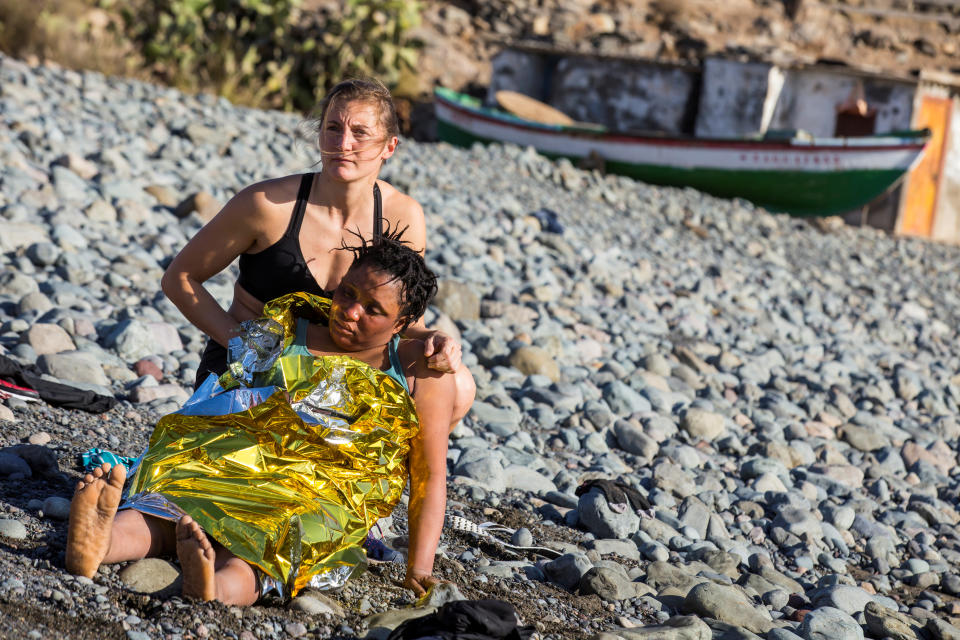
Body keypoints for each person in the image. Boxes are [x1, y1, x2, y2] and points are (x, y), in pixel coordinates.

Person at [66, 232, 453, 604]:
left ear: (402, 324)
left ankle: (214, 588)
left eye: (373, 310)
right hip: (236, 459)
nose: (350, 311)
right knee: (172, 501)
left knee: (274, 544)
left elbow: (428, 473)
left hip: (323, 493)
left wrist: (419, 568)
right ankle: (101, 542)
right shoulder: (289, 327)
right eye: (348, 292)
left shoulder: (419, 370)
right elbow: (230, 398)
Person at [160, 77, 474, 424]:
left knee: (456, 384)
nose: (343, 143)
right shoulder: (267, 205)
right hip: (253, 372)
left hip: (343, 373)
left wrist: (438, 340)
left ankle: (396, 476)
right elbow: (180, 278)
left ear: (390, 146)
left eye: (360, 133)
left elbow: (406, 322)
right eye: (333, 128)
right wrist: (239, 341)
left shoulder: (402, 217)